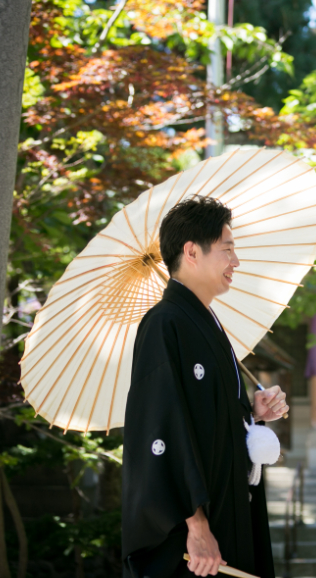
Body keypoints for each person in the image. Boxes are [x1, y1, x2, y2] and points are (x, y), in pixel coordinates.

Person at [122, 197, 289, 578]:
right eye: (227, 250)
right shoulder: (165, 324)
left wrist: (252, 413)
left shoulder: (208, 322)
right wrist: (195, 527)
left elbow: (211, 423)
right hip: (193, 538)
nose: (236, 262)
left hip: (228, 514)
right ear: (192, 251)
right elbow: (160, 431)